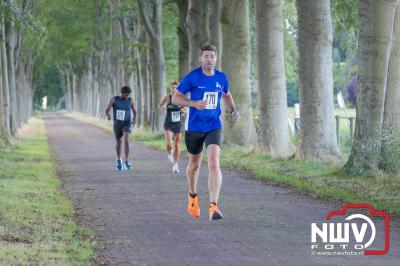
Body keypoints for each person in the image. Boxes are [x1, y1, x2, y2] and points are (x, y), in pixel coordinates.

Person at [172, 45, 240, 220]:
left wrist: (233, 110)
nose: (209, 59)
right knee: (194, 165)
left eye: (212, 56)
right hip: (194, 127)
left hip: (213, 125)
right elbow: (176, 98)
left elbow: (226, 95)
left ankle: (213, 206)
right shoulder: (192, 77)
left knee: (213, 163)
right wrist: (194, 103)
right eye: (206, 56)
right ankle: (192, 197)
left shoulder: (222, 78)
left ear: (216, 58)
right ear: (200, 58)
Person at [105, 86, 137, 171]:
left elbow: (135, 111)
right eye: (125, 95)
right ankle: (119, 160)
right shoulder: (114, 99)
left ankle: (126, 161)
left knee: (126, 140)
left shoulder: (130, 100)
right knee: (118, 142)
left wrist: (134, 120)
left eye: (128, 95)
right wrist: (108, 115)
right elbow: (107, 110)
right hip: (117, 124)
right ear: (121, 93)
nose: (127, 96)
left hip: (127, 123)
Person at [158, 81, 186, 173]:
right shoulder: (167, 98)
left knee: (177, 145)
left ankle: (175, 165)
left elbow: (185, 111)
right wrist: (163, 109)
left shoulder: (181, 98)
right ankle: (170, 152)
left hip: (178, 124)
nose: (174, 89)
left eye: (176, 87)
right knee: (169, 143)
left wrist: (182, 112)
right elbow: (159, 104)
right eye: (172, 87)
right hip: (168, 123)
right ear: (170, 88)